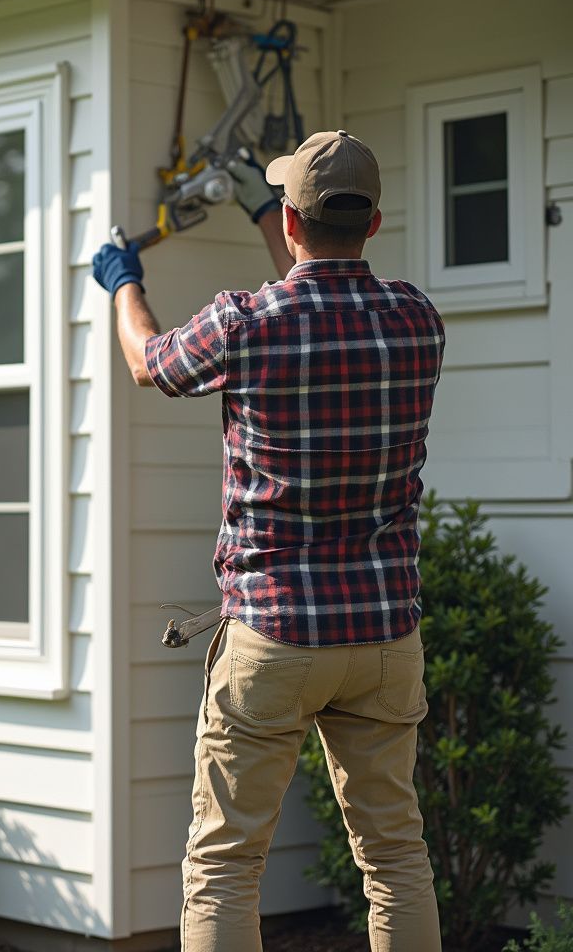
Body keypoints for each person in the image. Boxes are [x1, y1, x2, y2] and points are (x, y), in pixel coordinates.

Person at [91, 131, 445, 952]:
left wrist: (124, 282)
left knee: (224, 866)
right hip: (385, 635)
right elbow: (322, 292)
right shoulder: (416, 320)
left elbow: (150, 362)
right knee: (396, 856)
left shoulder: (245, 322)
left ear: (290, 221)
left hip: (276, 635)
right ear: (377, 220)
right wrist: (271, 211)